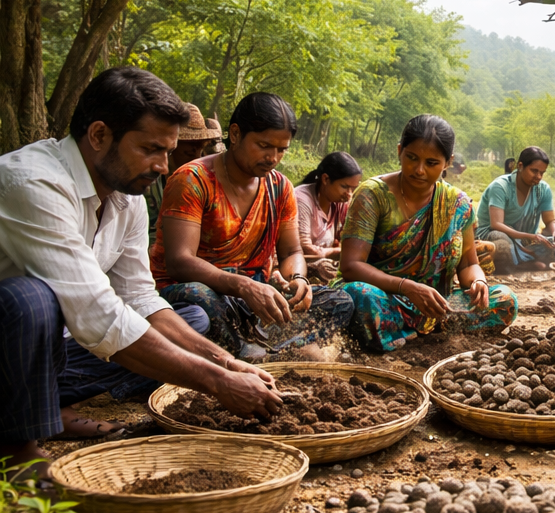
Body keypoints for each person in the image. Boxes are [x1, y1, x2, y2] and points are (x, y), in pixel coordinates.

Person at [0, 67, 280, 476]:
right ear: (99, 136)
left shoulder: (126, 194)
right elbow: (99, 314)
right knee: (29, 299)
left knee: (190, 320)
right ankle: (16, 446)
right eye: (151, 149)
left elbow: (140, 298)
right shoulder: (31, 183)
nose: (164, 166)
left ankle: (43, 404)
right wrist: (216, 383)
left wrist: (224, 363)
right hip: (15, 344)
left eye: (167, 152)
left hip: (55, 353)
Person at [151, 91, 353, 357]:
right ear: (235, 134)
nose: (273, 157)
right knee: (200, 298)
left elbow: (291, 252)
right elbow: (180, 262)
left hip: (254, 294)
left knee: (339, 301)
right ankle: (268, 352)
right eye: (264, 146)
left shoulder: (279, 187)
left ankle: (264, 351)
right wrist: (243, 286)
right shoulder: (192, 180)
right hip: (204, 292)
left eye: (281, 149)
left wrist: (299, 279)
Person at [339, 114, 517, 353]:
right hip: (388, 298)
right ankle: (428, 331)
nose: (419, 170)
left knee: (505, 300)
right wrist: (408, 288)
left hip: (438, 303)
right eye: (411, 158)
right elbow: (351, 266)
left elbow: (467, 264)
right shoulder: (373, 195)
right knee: (360, 297)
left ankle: (407, 333)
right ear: (400, 151)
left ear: (447, 162)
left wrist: (478, 282)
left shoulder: (458, 204)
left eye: (432, 163)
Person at [475, 146, 555, 271]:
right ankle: (527, 263)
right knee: (503, 245)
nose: (539, 176)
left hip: (526, 240)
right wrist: (531, 237)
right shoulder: (500, 186)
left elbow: (549, 221)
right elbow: (496, 224)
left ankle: (521, 262)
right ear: (520, 166)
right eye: (534, 171)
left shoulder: (543, 189)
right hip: (495, 234)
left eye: (542, 173)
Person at [146, 104, 222, 244]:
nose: (196, 158)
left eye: (200, 150)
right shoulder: (147, 183)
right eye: (188, 152)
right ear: (171, 147)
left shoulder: (208, 183)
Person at [295, 151, 362, 283]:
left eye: (353, 189)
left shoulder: (340, 202)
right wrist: (337, 251)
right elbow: (305, 249)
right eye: (345, 187)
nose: (349, 194)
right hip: (300, 265)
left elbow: (351, 238)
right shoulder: (302, 199)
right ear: (325, 179)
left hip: (325, 263)